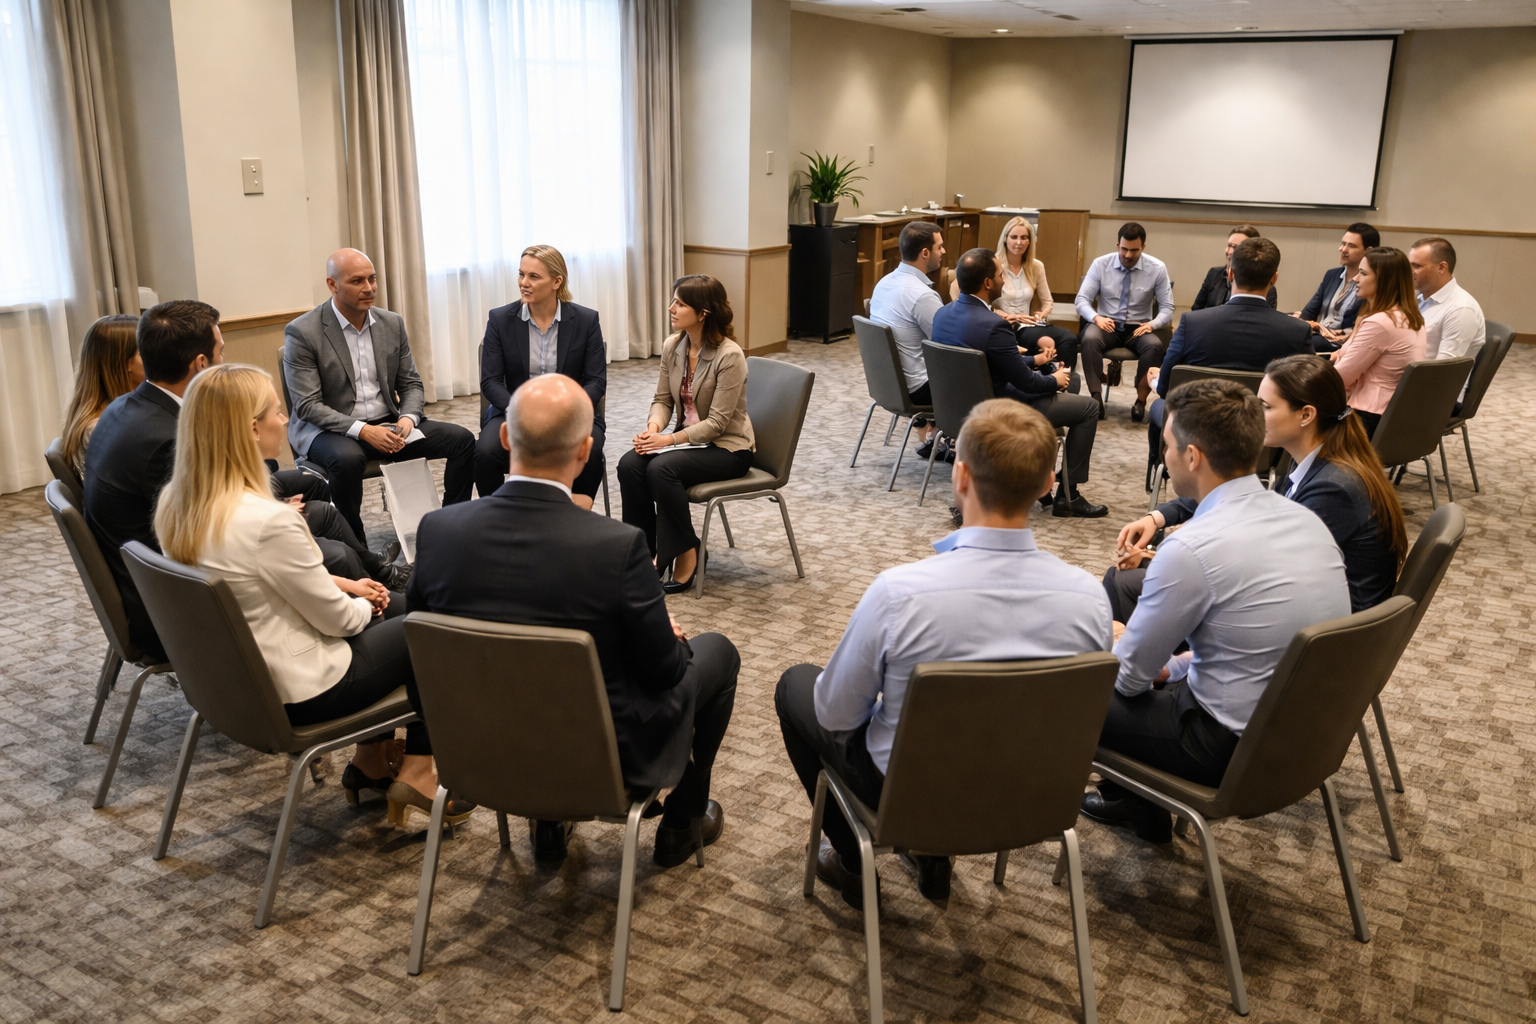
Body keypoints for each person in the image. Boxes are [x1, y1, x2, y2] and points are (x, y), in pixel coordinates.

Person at [777, 399, 1112, 908]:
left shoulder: (900, 594)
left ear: (959, 474)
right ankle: (933, 859)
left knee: (797, 688)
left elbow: (835, 713)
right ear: (1049, 483)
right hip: (1031, 797)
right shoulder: (1090, 599)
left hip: (910, 797)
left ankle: (852, 859)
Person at [408, 374, 739, 868]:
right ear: (585, 452)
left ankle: (547, 823)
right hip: (602, 766)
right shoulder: (615, 547)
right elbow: (664, 674)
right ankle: (681, 822)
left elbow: (420, 669)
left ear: (503, 439)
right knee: (716, 653)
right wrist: (661, 638)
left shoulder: (438, 531)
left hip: (478, 754)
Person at [152, 364, 465, 825]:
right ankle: (419, 770)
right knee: (437, 625)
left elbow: (254, 581)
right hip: (305, 686)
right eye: (277, 412)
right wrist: (367, 602)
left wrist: (347, 587)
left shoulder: (179, 503)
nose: (285, 421)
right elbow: (340, 621)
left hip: (239, 684)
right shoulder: (269, 520)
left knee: (411, 606)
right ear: (251, 430)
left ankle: (371, 763)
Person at [1083, 380, 1349, 843]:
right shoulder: (1305, 520)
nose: (1164, 456)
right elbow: (1254, 645)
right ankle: (1140, 809)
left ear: (1192, 457)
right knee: (1150, 666)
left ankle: (1051, 804)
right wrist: (1171, 664)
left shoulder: (1190, 548)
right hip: (1305, 737)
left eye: (1166, 446)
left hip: (1222, 748)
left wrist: (1112, 642)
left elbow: (1127, 681)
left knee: (1069, 684)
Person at [1107, 355, 1405, 627]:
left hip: (1321, 634)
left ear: (1306, 415)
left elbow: (1260, 567)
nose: (1254, 416)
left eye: (1265, 407)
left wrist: (1159, 554)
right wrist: (1158, 518)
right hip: (1300, 608)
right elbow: (1239, 494)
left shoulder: (1333, 488)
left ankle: (1150, 677)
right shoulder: (1314, 461)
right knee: (1133, 580)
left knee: (1126, 582)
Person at [283, 248, 475, 542]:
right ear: (332, 285)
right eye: (357, 281)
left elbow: (411, 383)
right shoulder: (303, 332)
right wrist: (364, 431)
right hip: (330, 430)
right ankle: (355, 547)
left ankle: (452, 527)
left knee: (461, 440)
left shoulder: (391, 323)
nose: (369, 288)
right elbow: (308, 406)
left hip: (388, 423)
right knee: (346, 461)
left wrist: (409, 418)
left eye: (372, 279)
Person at [84, 301, 225, 662]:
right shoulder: (165, 438)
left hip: (147, 580)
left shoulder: (123, 407)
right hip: (173, 611)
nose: (225, 359)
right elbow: (209, 538)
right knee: (325, 546)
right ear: (200, 364)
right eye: (221, 351)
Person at [932, 248, 1107, 518]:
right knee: (1088, 408)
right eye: (1000, 275)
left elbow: (983, 363)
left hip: (955, 405)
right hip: (998, 408)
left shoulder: (942, 315)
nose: (1004, 279)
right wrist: (1051, 379)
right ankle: (1068, 495)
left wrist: (1036, 362)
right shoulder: (994, 325)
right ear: (987, 283)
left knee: (1073, 383)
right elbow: (1026, 384)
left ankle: (1040, 480)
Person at [618, 275, 754, 593]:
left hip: (729, 449)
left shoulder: (730, 355)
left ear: (703, 312)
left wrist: (667, 440)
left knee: (662, 467)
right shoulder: (674, 345)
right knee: (630, 463)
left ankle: (685, 552)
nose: (671, 308)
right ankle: (646, 552)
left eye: (679, 303)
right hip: (688, 442)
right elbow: (662, 400)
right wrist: (653, 429)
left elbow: (718, 423)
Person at [1144, 237, 1312, 462]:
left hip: (1197, 438)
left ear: (1230, 273)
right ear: (1274, 278)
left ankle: (1163, 471)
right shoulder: (1297, 332)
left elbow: (1166, 389)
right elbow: (1308, 396)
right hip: (1260, 445)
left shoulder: (1192, 323)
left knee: (1159, 405)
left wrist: (1155, 380)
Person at [476, 244, 607, 507]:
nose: (524, 283)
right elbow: (490, 381)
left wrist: (568, 408)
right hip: (512, 410)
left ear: (557, 281)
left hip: (571, 410)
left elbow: (596, 381)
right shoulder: (500, 319)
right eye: (521, 274)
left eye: (533, 276)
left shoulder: (586, 320)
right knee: (485, 451)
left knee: (590, 448)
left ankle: (576, 518)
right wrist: (521, 409)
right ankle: (496, 518)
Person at [951, 216, 1081, 390]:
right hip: (1005, 324)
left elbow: (1047, 301)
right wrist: (1003, 314)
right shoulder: (992, 264)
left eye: (1024, 237)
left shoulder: (1036, 266)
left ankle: (1064, 383)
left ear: (1030, 241)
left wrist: (1041, 314)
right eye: (1014, 237)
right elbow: (958, 288)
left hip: (1029, 323)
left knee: (1069, 339)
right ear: (1005, 239)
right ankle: (1047, 382)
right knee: (1047, 342)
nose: (1019, 242)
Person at [1074, 222, 1174, 421]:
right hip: (1106, 324)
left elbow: (1168, 308)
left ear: (1143, 247)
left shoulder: (1157, 268)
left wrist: (1152, 325)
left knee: (1154, 345)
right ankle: (1096, 397)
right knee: (1089, 338)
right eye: (1124, 249)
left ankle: (1140, 400)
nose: (1128, 255)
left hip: (1138, 327)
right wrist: (1096, 318)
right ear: (1117, 244)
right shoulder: (1100, 264)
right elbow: (1081, 300)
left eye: (1134, 250)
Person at [1329, 247, 1427, 438]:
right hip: (1392, 418)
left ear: (1384, 281)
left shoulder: (1381, 323)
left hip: (1365, 419)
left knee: (1290, 412)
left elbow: (1340, 379)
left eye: (1363, 273)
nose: (1354, 279)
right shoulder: (1409, 317)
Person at [869, 220, 945, 456]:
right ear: (925, 253)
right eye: (939, 247)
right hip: (917, 388)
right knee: (986, 377)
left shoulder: (884, 283)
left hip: (889, 384)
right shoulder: (921, 294)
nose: (943, 251)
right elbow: (949, 346)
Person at [61, 314, 143, 476]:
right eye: (146, 352)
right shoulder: (102, 428)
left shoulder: (107, 413)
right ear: (125, 364)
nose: (156, 358)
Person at [1411, 236, 1486, 406]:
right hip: (1410, 381)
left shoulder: (1461, 308)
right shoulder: (1418, 297)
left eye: (1416, 266)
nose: (1410, 271)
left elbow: (1442, 373)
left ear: (1441, 267)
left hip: (1436, 397)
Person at [1294, 222, 1379, 350]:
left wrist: (1315, 327)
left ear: (1369, 251)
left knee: (1293, 341)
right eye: (1343, 243)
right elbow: (1309, 312)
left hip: (1340, 341)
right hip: (1319, 334)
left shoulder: (1372, 283)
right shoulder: (1332, 275)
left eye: (1351, 246)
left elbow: (1356, 329)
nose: (1343, 249)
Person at [1190, 225, 1278, 311]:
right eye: (1229, 245)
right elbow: (1196, 309)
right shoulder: (1214, 273)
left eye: (1236, 247)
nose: (1230, 251)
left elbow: (1266, 318)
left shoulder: (1264, 285)